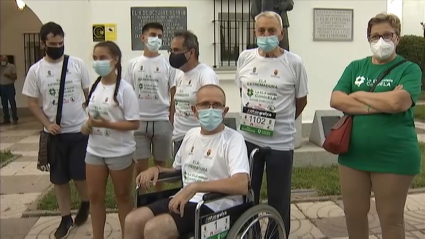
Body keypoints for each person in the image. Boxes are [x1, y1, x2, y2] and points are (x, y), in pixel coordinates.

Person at [330, 13, 422, 239]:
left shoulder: (409, 69)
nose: (381, 41)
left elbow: (398, 102)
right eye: (375, 36)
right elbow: (336, 99)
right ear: (369, 39)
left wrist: (358, 94)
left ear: (397, 38)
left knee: (391, 221)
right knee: (354, 216)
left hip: (394, 156)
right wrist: (381, 103)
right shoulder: (356, 67)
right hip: (353, 155)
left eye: (387, 35)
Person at [124, 84, 250, 239]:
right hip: (184, 199)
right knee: (132, 220)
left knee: (155, 229)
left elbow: (242, 184)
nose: (210, 109)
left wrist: (195, 187)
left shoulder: (233, 140)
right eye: (204, 104)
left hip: (215, 205)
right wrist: (156, 169)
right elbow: (177, 169)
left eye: (216, 105)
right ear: (194, 111)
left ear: (224, 111)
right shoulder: (191, 135)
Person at [235, 11, 309, 238]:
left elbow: (302, 100)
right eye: (261, 30)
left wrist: (280, 121)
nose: (266, 35)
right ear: (254, 32)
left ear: (281, 33)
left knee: (279, 199)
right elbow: (242, 92)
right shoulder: (245, 58)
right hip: (248, 141)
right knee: (247, 195)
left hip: (281, 144)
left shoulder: (294, 63)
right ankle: (252, 235)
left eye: (271, 31)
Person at [22, 22, 90, 239]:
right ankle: (65, 218)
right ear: (44, 43)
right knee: (59, 180)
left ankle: (86, 202)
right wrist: (47, 123)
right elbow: (32, 102)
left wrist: (91, 117)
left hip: (79, 132)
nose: (58, 47)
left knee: (80, 176)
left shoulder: (77, 64)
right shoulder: (36, 70)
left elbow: (89, 94)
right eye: (53, 43)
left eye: (61, 43)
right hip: (55, 135)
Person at [82, 41, 140, 239]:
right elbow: (92, 117)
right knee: (95, 197)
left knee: (123, 197)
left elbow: (134, 124)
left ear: (115, 60)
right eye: (96, 58)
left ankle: (128, 235)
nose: (98, 62)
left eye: (103, 58)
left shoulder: (125, 90)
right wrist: (87, 125)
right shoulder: (94, 86)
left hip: (120, 152)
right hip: (95, 151)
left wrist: (108, 125)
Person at [124, 22, 177, 189]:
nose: (156, 39)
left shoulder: (168, 64)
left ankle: (157, 201)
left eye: (160, 36)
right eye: (153, 35)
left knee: (159, 169)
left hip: (162, 121)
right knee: (140, 168)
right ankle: (141, 200)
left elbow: (173, 93)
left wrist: (171, 118)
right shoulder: (133, 64)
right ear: (143, 37)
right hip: (139, 122)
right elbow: (127, 92)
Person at [170, 30, 220, 155]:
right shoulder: (179, 73)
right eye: (171, 50)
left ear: (191, 52)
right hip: (179, 137)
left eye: (176, 50)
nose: (172, 54)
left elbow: (213, 108)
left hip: (199, 139)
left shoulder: (206, 75)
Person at [0, 55, 18, 124]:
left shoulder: (11, 66)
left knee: (12, 102)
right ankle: (6, 118)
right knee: (4, 103)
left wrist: (9, 76)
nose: (2, 62)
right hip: (2, 87)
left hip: (9, 86)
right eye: (1, 60)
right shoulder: (0, 67)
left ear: (7, 60)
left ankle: (15, 117)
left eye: (4, 60)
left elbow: (15, 76)